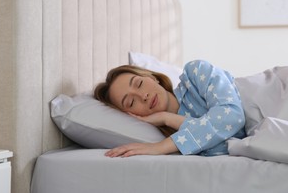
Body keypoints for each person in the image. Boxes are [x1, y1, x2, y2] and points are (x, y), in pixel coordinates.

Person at [94, 60, 246, 157]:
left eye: (139, 83)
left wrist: (161, 144)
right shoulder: (174, 136)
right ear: (130, 114)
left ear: (152, 77)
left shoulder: (196, 73)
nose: (143, 96)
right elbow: (224, 146)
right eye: (132, 102)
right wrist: (171, 123)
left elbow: (232, 117)